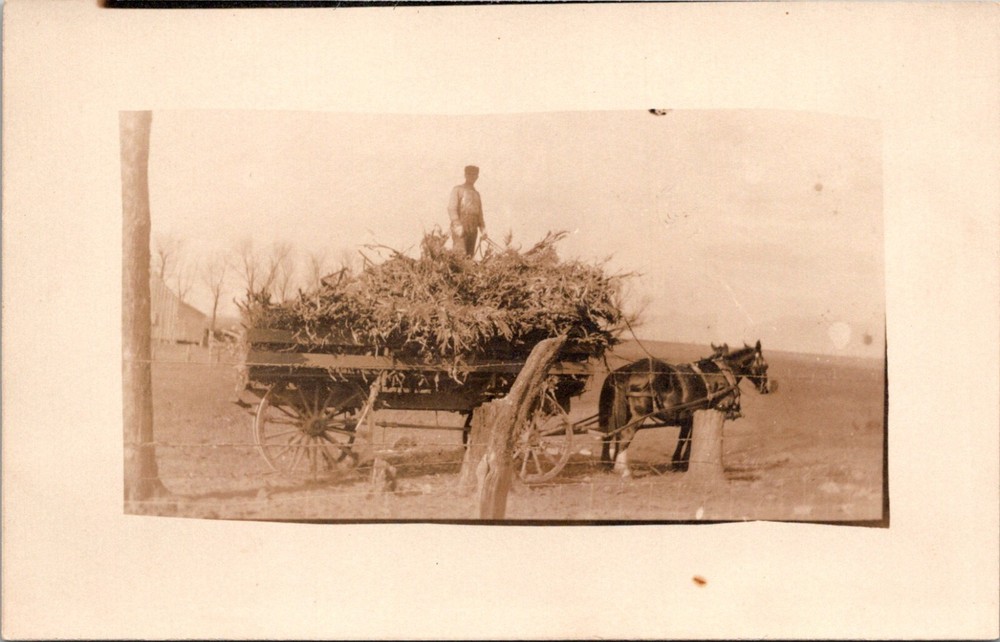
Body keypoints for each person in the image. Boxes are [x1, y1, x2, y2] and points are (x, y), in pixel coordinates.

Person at [447, 165, 486, 257]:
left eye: (474, 175)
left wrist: (483, 229)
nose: (472, 177)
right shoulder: (457, 189)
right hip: (460, 226)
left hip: (473, 227)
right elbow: (451, 208)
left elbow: (479, 214)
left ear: (477, 177)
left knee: (469, 256)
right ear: (465, 175)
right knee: (459, 254)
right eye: (469, 174)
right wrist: (457, 224)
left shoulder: (477, 194)